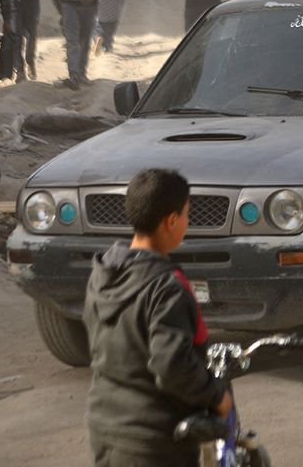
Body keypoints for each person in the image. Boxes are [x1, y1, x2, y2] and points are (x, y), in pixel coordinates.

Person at [83, 168, 232, 466]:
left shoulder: (102, 275)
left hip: (104, 427)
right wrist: (216, 397)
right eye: (187, 214)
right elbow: (172, 363)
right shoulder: (167, 287)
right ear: (171, 220)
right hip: (154, 440)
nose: (187, 223)